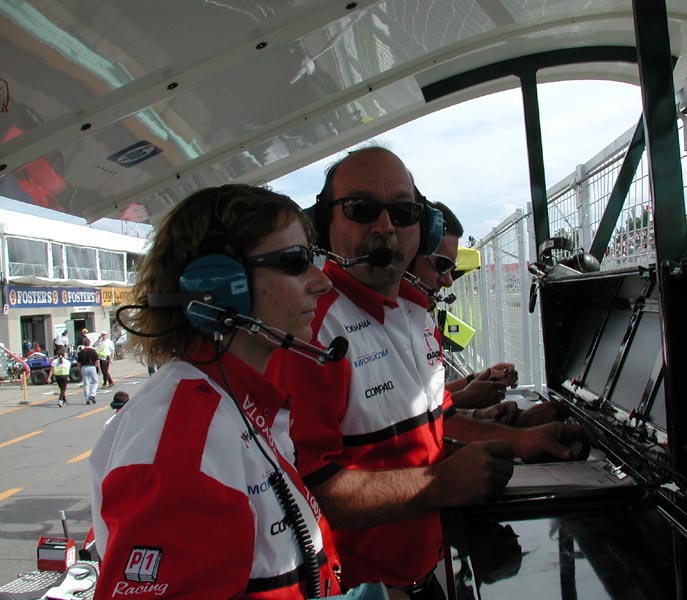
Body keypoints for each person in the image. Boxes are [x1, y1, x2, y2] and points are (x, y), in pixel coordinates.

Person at [267, 147, 593, 596]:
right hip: (365, 588)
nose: (385, 228)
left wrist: (519, 441)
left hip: (432, 566)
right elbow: (305, 494)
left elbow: (437, 424)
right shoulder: (312, 332)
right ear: (325, 223)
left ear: (423, 229)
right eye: (362, 210)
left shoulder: (415, 312)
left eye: (403, 213)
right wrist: (437, 485)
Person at [88, 184, 355, 599]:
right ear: (218, 285)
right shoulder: (182, 445)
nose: (321, 282)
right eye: (295, 262)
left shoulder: (234, 407)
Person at [409, 200, 565, 428]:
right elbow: (396, 426)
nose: (448, 280)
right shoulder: (379, 327)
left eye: (452, 270)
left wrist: (479, 382)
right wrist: (517, 437)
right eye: (441, 265)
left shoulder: (422, 319)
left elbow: (431, 398)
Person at [76, 337, 99, 405]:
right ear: (90, 343)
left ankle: (87, 399)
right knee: (95, 381)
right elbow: (97, 361)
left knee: (86, 384)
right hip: (92, 367)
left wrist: (79, 370)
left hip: (84, 367)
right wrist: (99, 369)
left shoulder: (81, 352)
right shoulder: (93, 351)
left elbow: (78, 363)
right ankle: (92, 395)